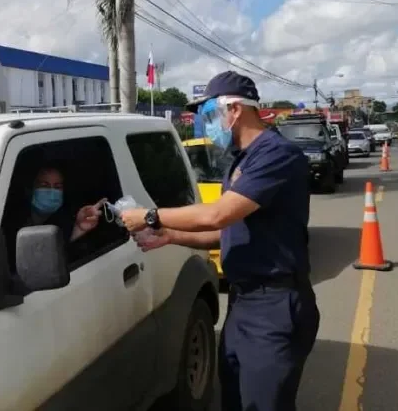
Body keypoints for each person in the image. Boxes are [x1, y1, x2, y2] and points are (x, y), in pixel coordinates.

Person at [119, 71, 320, 411]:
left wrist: (150, 216)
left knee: (264, 404)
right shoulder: (240, 161)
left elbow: (218, 215)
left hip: (275, 304)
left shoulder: (275, 155)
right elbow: (227, 231)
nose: (205, 123)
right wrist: (171, 236)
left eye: (209, 114)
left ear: (235, 109)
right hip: (243, 303)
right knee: (235, 398)